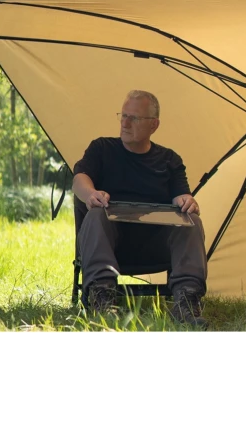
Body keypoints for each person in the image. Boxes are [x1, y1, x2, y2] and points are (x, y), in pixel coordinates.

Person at [72, 89, 208, 328]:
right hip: (108, 245)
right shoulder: (102, 149)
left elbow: (181, 194)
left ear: (154, 125)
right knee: (95, 215)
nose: (125, 123)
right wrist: (91, 194)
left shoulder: (169, 160)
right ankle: (102, 300)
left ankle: (186, 301)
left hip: (156, 247)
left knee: (191, 219)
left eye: (134, 118)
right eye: (123, 115)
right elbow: (79, 180)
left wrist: (188, 201)